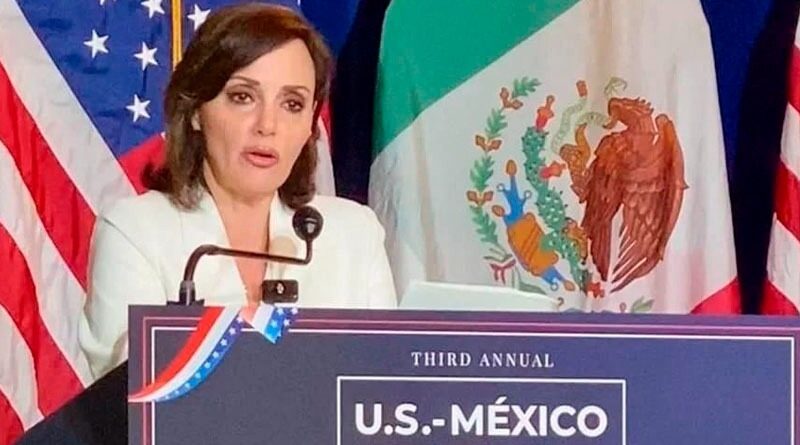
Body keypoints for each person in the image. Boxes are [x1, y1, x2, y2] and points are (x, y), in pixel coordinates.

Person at [78, 3, 397, 380]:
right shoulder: (135, 231)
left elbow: (385, 386)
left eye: (292, 104)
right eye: (243, 97)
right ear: (196, 111)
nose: (268, 125)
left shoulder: (355, 233)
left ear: (310, 125)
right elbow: (129, 392)